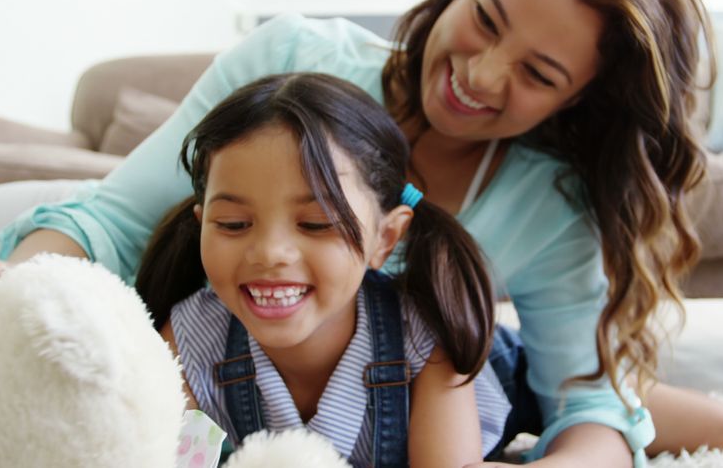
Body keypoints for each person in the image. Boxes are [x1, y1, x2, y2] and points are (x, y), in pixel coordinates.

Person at [0, 0, 723, 464]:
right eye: (485, 19)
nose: (480, 75)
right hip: (225, 330)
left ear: (581, 99)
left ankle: (651, 396)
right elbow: (113, 224)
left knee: (693, 419)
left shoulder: (548, 202)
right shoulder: (293, 63)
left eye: (537, 74)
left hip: (449, 359)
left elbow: (589, 407)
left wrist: (596, 427)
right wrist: (12, 287)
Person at [138, 72, 509, 466]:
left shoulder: (428, 334)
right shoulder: (187, 340)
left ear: (384, 239)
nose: (270, 253)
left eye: (315, 224)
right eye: (233, 224)